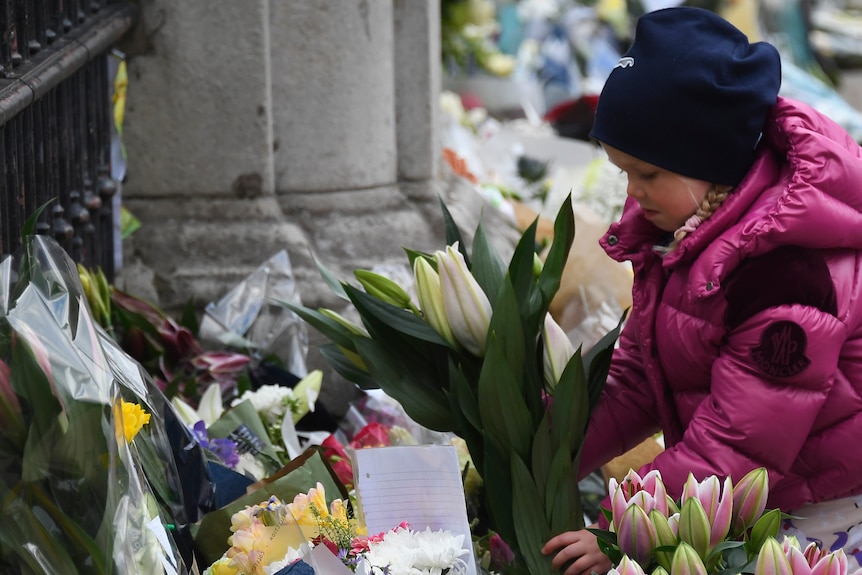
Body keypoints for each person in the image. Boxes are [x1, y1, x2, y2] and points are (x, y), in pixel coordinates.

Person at [541, 6, 862, 575]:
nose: (635, 195)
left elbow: (741, 443)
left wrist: (625, 532)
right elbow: (640, 379)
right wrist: (542, 449)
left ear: (712, 161)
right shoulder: (680, 236)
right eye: (624, 174)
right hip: (740, 498)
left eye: (649, 173)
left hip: (820, 517)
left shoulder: (788, 276)